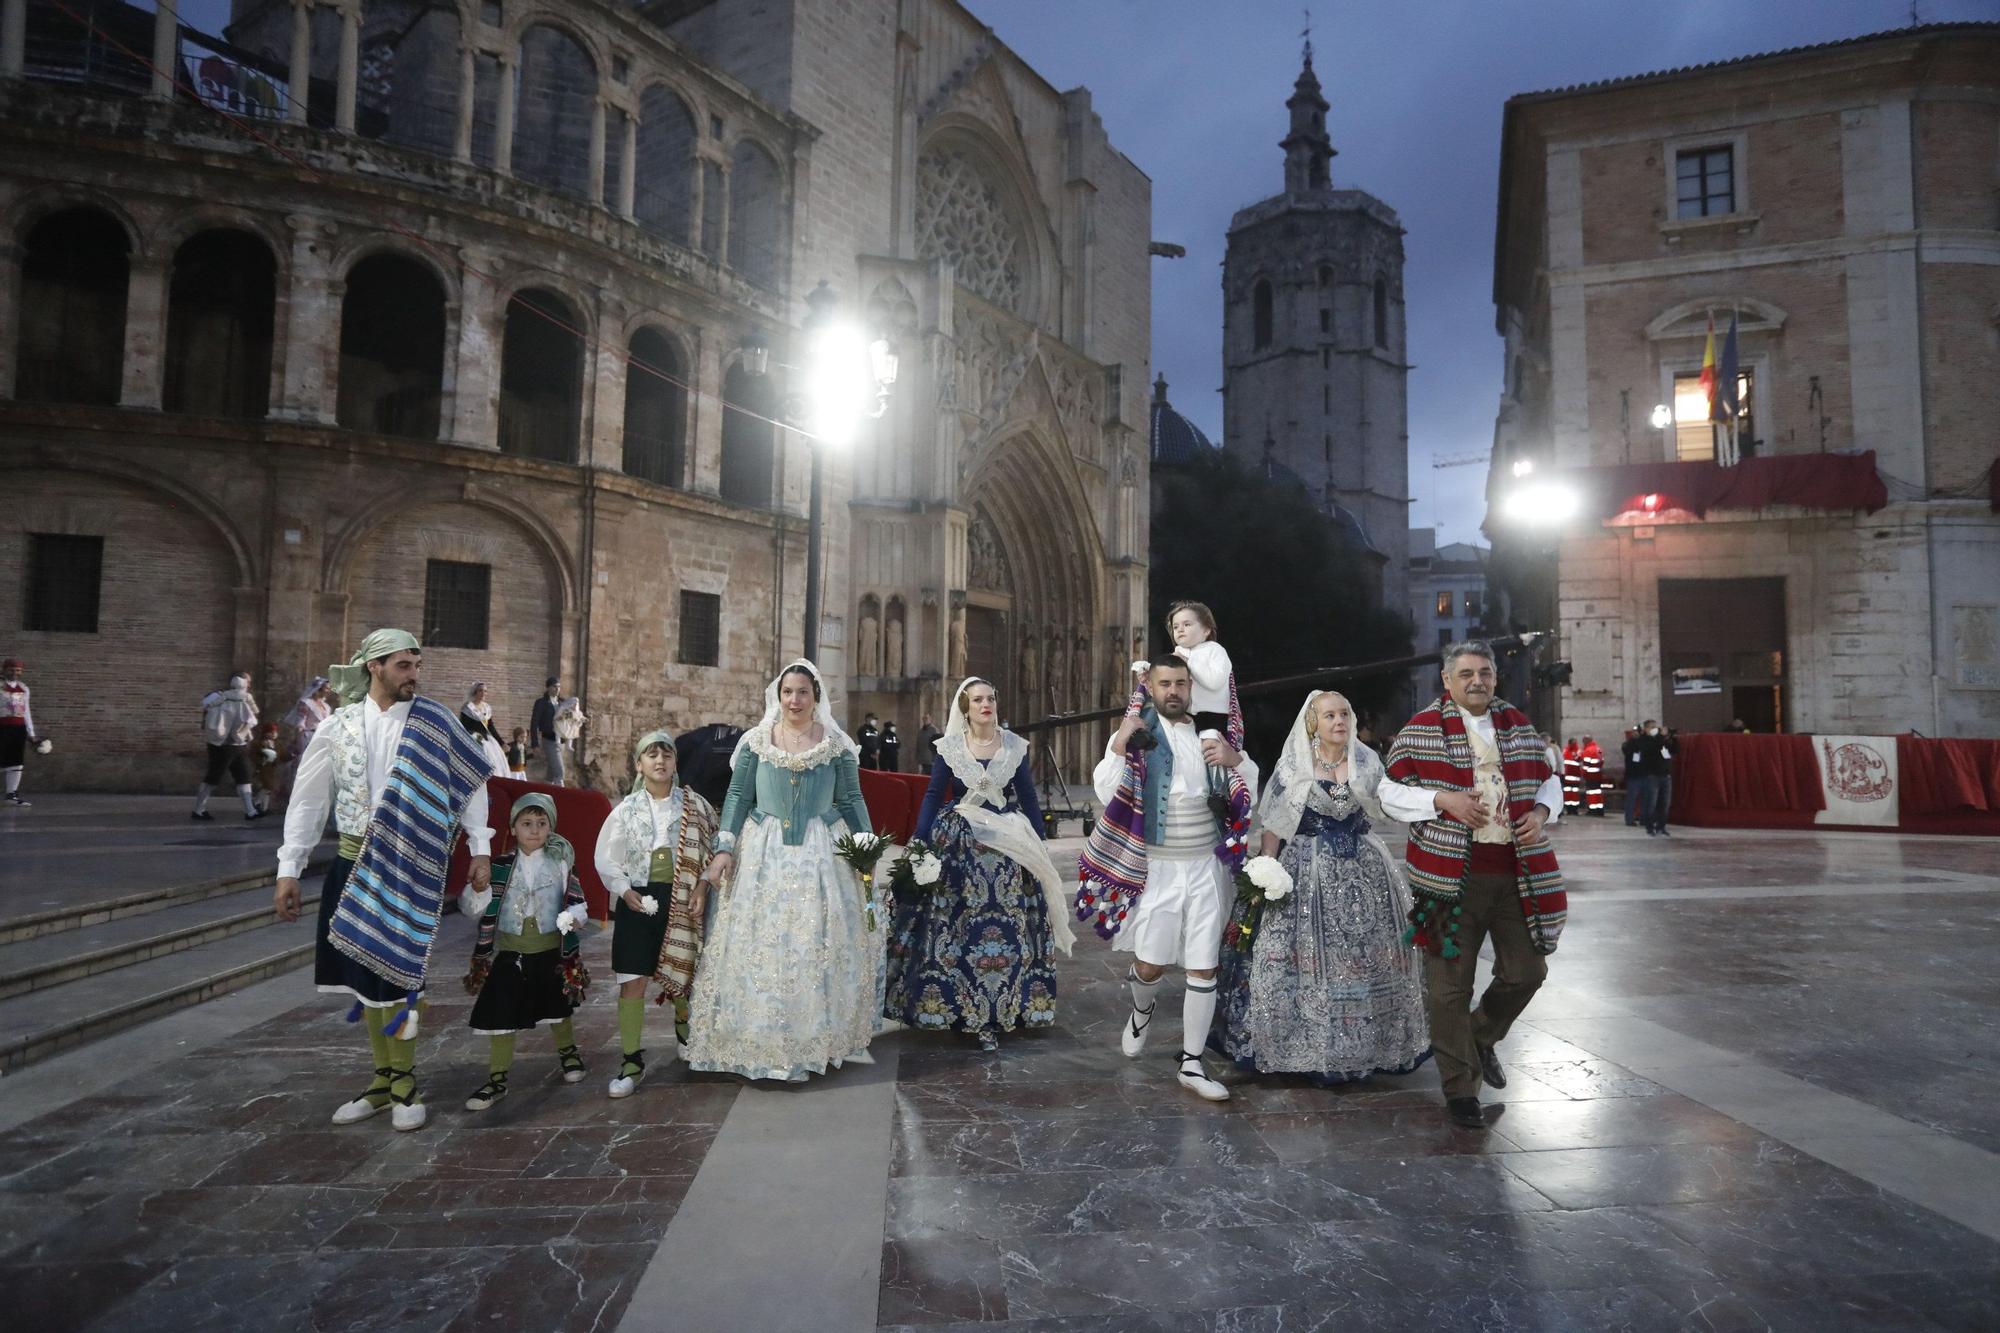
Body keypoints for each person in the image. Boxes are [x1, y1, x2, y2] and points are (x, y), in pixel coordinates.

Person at [273, 628, 494, 1132]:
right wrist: (290, 868)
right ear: (374, 666)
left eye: (417, 664)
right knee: (367, 981)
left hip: (411, 866)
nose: (414, 674)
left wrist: (479, 847)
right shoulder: (339, 726)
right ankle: (382, 1081)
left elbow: (472, 784)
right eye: (403, 665)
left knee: (401, 977)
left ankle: (405, 1082)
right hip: (354, 864)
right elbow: (308, 800)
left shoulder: (435, 722)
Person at [1378, 639, 1567, 1130]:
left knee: (1528, 972)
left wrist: (1543, 811)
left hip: (1516, 876)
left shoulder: (1518, 725)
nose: (1476, 681)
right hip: (1444, 881)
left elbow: (1549, 778)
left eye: (1484, 672)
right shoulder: (1419, 729)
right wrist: (1442, 799)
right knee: (1447, 989)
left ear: (1495, 677)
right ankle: (1461, 1090)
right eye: (1465, 674)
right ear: (1447, 680)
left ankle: (1480, 1037)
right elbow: (1389, 791)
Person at [1212, 690, 1429, 1083]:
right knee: (1303, 957)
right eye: (1329, 715)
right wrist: (1267, 870)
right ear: (1314, 723)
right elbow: (1276, 823)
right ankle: (1308, 1047)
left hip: (1365, 869)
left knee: (1363, 960)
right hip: (1307, 869)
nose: (1339, 721)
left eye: (1344, 713)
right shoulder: (1295, 766)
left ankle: (1366, 1046)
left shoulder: (1365, 761)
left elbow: (1389, 802)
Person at [684, 661, 880, 1081]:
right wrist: (724, 848)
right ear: (779, 695)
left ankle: (813, 1040)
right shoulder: (757, 742)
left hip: (821, 851)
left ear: (816, 697)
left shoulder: (837, 745)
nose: (794, 700)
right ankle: (763, 1041)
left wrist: (865, 846)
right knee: (764, 943)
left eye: (803, 692)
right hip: (764, 851)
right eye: (788, 692)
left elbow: (851, 799)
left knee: (813, 941)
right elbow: (737, 796)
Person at [1079, 656, 1259, 1102]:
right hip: (1157, 867)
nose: (1174, 691)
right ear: (1152, 688)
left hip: (1206, 865)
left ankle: (1192, 1063)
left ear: (1190, 689)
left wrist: (1236, 760)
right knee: (1150, 963)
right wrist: (1121, 743)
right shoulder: (1139, 736)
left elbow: (1247, 786)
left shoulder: (1211, 734)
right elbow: (1105, 789)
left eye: (1181, 683)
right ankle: (1142, 1010)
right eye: (1166, 684)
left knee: (1205, 963)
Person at [886, 677, 1073, 1051]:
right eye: (977, 700)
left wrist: (1038, 840)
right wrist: (921, 843)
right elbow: (934, 795)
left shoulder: (1014, 747)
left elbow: (1027, 797)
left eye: (990, 698)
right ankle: (955, 1007)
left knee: (1010, 928)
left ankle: (1002, 1010)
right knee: (956, 928)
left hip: (1006, 845)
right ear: (965, 708)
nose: (985, 705)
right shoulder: (949, 748)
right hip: (960, 845)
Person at [596, 729, 720, 1097]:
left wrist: (700, 887)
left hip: (682, 896)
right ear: (639, 764)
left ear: (675, 763)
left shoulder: (695, 806)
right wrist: (624, 891)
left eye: (666, 754)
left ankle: (685, 1025)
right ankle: (631, 1060)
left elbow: (712, 852)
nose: (660, 761)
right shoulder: (625, 811)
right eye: (651, 755)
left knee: (683, 971)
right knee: (632, 979)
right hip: (637, 898)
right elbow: (606, 858)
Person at [460, 792, 590, 1111]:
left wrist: (575, 917)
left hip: (550, 952)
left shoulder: (560, 864)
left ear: (551, 828)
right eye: (527, 823)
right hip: (510, 953)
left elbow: (579, 901)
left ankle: (569, 1053)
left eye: (542, 823)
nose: (534, 830)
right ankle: (497, 1077)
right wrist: (476, 891)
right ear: (513, 828)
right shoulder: (499, 867)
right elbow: (473, 908)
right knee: (501, 1014)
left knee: (557, 1007)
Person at [193, 673, 265, 822]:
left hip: (237, 744)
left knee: (243, 776)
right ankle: (199, 810)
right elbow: (254, 714)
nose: (249, 685)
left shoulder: (216, 698)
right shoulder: (232, 698)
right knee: (213, 777)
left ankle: (250, 811)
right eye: (248, 682)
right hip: (223, 746)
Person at [279, 677, 334, 805]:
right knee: (304, 765)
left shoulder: (326, 706)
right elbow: (301, 722)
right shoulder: (306, 703)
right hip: (308, 736)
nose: (329, 690)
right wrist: (297, 739)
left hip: (323, 737)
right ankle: (297, 795)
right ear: (319, 689)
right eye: (327, 688)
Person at [1, 657, 37, 807]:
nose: (15, 673)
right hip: (1, 727)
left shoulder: (24, 688)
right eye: (12, 670)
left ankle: (12, 795)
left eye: (18, 670)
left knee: (16, 762)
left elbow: (26, 711)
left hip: (18, 728)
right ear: (4, 670)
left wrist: (31, 732)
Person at [1631, 719, 1674, 837]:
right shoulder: (1643, 740)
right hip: (1652, 776)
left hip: (1665, 775)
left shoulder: (1661, 740)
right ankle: (1650, 827)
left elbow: (1673, 750)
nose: (1654, 729)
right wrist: (1660, 737)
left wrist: (1670, 738)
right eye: (1651, 727)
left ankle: (1661, 826)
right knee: (1651, 803)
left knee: (1664, 804)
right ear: (1645, 729)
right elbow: (1650, 749)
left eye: (1655, 727)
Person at [459, 683, 511, 777]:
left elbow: (491, 727)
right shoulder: (468, 708)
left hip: (487, 739)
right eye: (480, 690)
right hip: (473, 738)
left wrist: (502, 742)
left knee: (496, 761)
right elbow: (464, 727)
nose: (483, 693)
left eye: (485, 691)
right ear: (475, 692)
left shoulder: (486, 707)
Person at [529, 677, 563, 784]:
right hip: (548, 740)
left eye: (559, 687)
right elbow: (534, 723)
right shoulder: (541, 703)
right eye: (554, 686)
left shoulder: (563, 702)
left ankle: (545, 792)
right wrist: (535, 744)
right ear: (548, 687)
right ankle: (561, 797)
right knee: (559, 771)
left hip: (561, 741)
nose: (557, 689)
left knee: (552, 772)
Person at [1620, 726, 1645, 828]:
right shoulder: (1629, 744)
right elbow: (1631, 753)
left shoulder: (1640, 743)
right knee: (1632, 798)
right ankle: (1630, 819)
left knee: (1644, 798)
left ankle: (1642, 817)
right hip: (1634, 775)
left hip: (1643, 774)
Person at [1580, 734, 1605, 815]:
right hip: (1598, 774)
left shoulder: (1588, 750)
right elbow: (1601, 761)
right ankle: (1600, 809)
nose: (1583, 743)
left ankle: (1592, 810)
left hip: (1590, 775)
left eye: (1584, 741)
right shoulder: (1598, 749)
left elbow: (1586, 765)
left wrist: (1583, 774)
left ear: (1587, 741)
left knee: (1591, 793)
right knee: (1598, 792)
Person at [1560, 737, 1582, 814]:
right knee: (1568, 793)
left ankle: (1574, 809)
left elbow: (1579, 758)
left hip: (1575, 776)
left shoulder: (1578, 751)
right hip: (1568, 776)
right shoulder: (1565, 751)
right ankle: (1569, 809)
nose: (1574, 744)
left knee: (1575, 794)